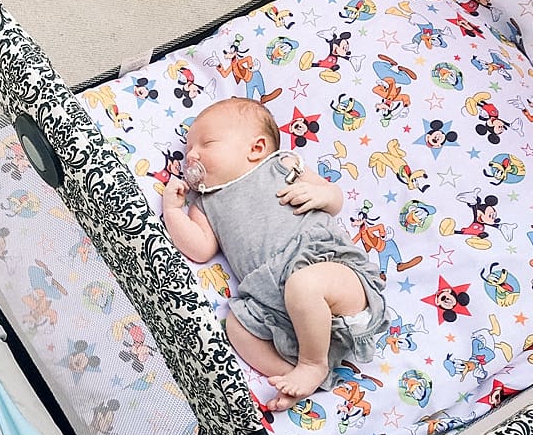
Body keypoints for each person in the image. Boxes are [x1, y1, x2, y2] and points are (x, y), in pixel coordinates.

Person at [160, 98, 386, 411]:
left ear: (256, 148)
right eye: (188, 151)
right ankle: (292, 376)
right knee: (236, 327)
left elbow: (335, 200)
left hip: (328, 271)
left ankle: (312, 364)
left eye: (207, 144)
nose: (192, 155)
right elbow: (200, 249)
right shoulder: (206, 202)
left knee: (304, 285)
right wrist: (173, 211)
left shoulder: (281, 165)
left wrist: (320, 194)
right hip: (272, 303)